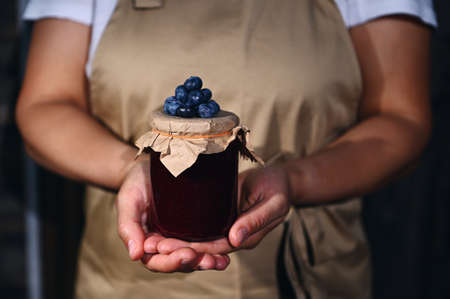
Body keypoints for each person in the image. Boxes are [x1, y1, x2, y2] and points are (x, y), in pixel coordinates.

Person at [16, 0, 437, 298]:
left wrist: (295, 179)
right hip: (126, 278)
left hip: (307, 278)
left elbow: (401, 119)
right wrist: (132, 168)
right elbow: (45, 107)